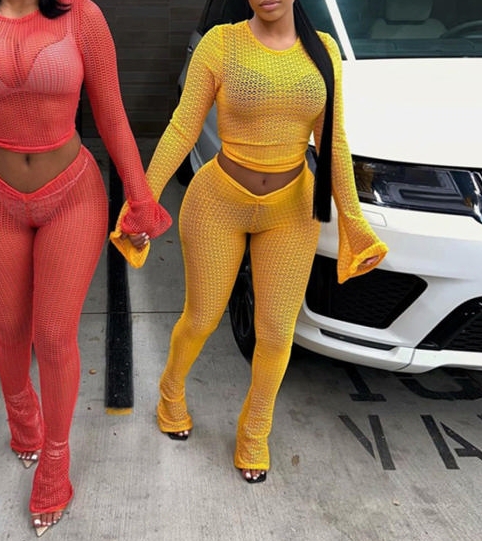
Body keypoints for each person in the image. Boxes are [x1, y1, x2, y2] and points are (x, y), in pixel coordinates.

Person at [0, 0, 171, 535]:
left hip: (72, 194)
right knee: (9, 328)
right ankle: (21, 415)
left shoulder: (81, 16)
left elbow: (112, 114)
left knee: (53, 335)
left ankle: (55, 458)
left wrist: (140, 198)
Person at [117, 0, 388, 484]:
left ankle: (254, 430)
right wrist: (142, 202)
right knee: (201, 318)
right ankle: (171, 391)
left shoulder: (324, 51)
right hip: (217, 204)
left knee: (277, 332)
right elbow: (182, 127)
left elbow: (333, 142)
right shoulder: (221, 44)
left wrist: (354, 222)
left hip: (291, 212)